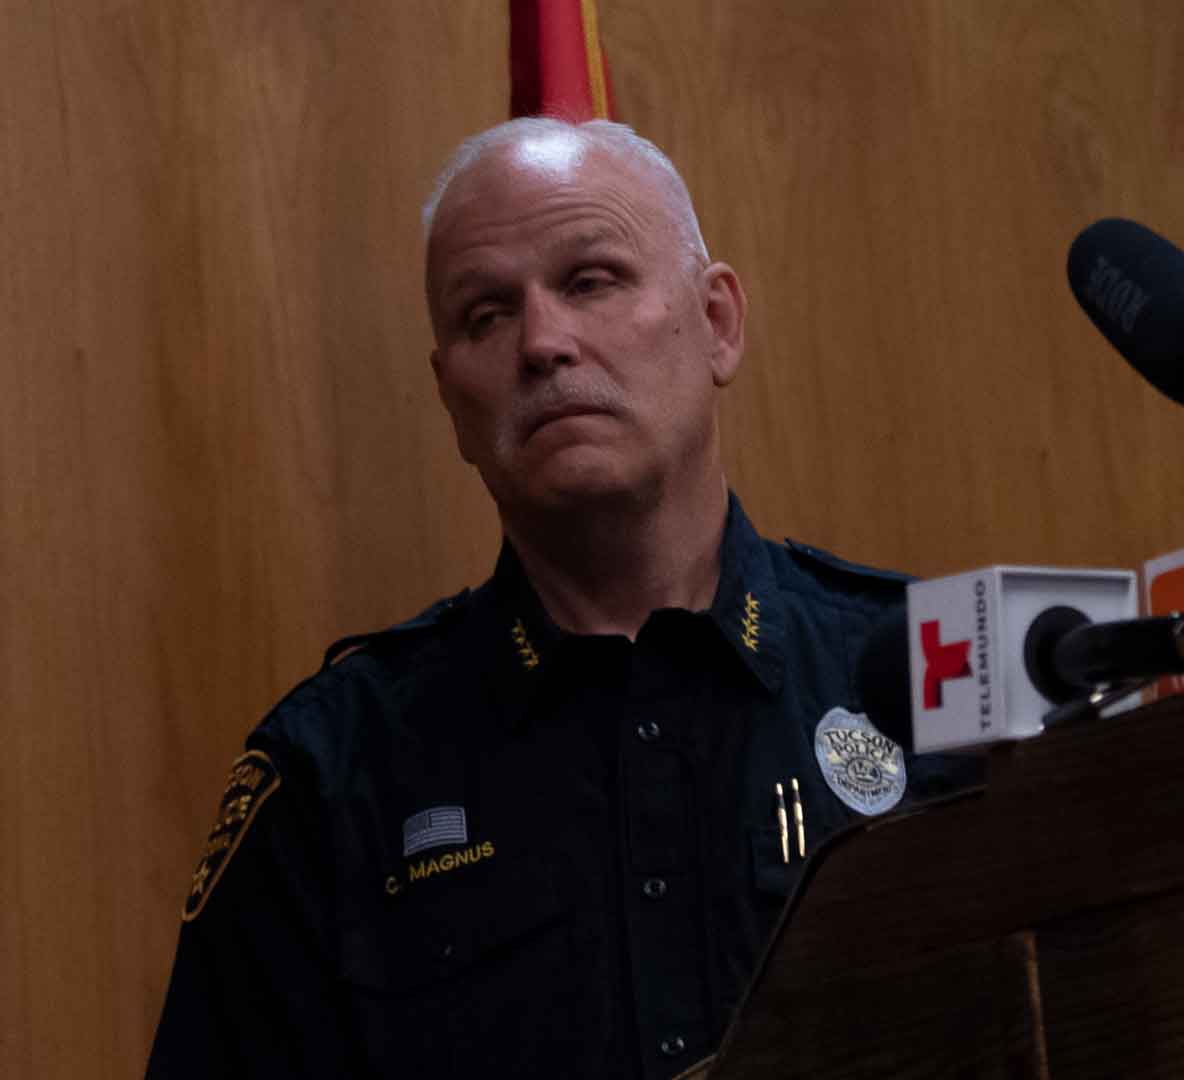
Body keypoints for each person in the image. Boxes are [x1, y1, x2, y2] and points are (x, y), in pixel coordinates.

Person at [147, 117, 969, 1078]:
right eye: (486, 316)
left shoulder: (932, 674)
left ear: (718, 324)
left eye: (590, 281)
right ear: (452, 399)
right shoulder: (334, 772)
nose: (542, 342)